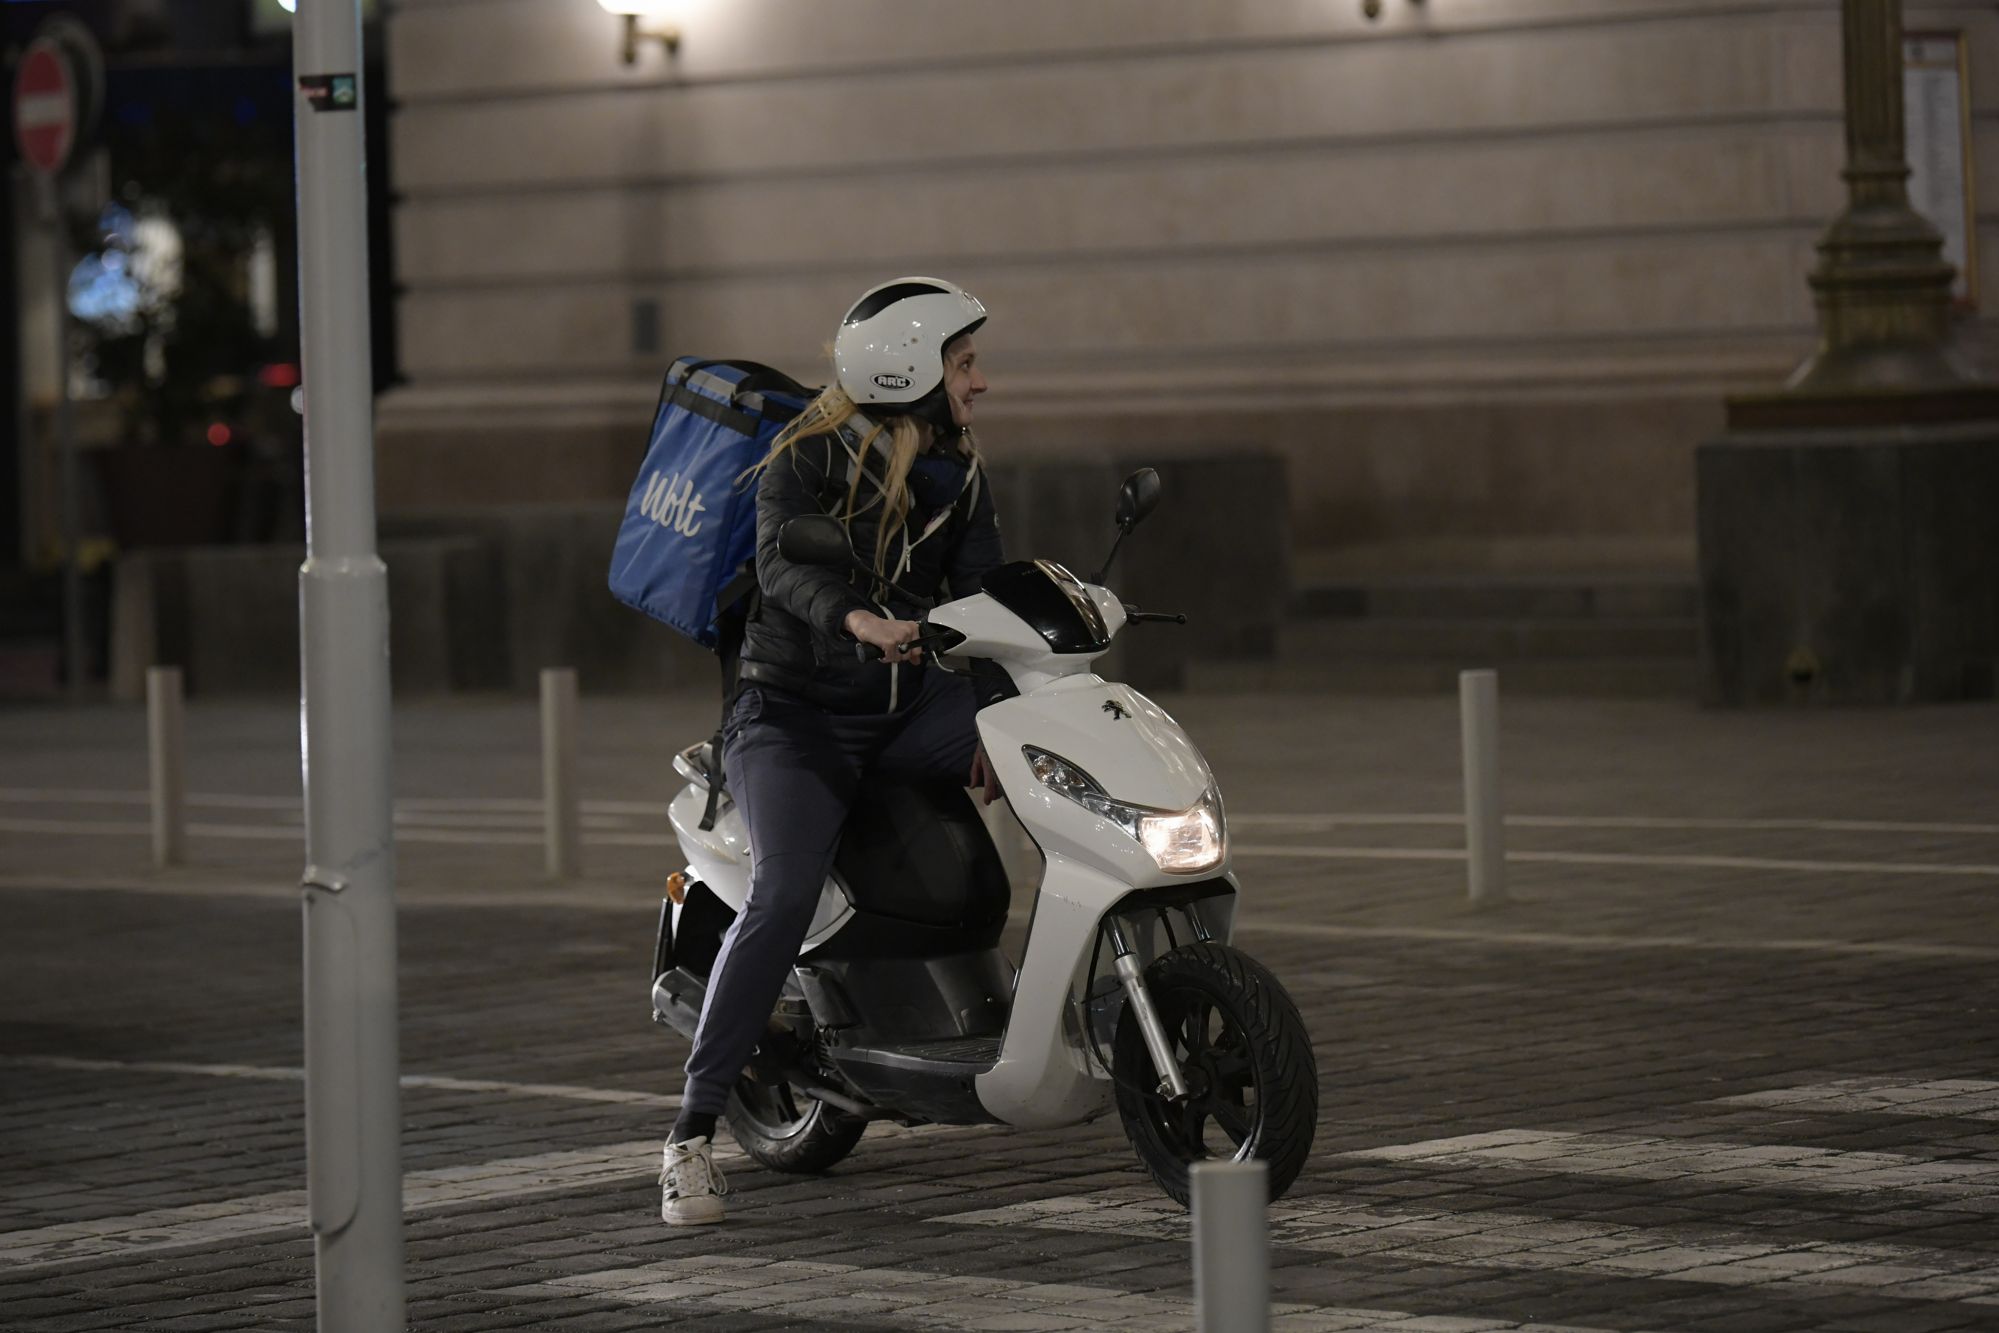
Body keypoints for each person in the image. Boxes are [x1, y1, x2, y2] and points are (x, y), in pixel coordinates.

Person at [660, 276, 1009, 1225]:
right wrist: (857, 616)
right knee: (781, 890)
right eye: (964, 362)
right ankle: (689, 1135)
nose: (979, 382)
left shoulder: (959, 467)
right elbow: (782, 564)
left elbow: (979, 595)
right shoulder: (804, 461)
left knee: (1040, 759)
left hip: (906, 708)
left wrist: (998, 707)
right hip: (792, 713)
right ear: (909, 367)